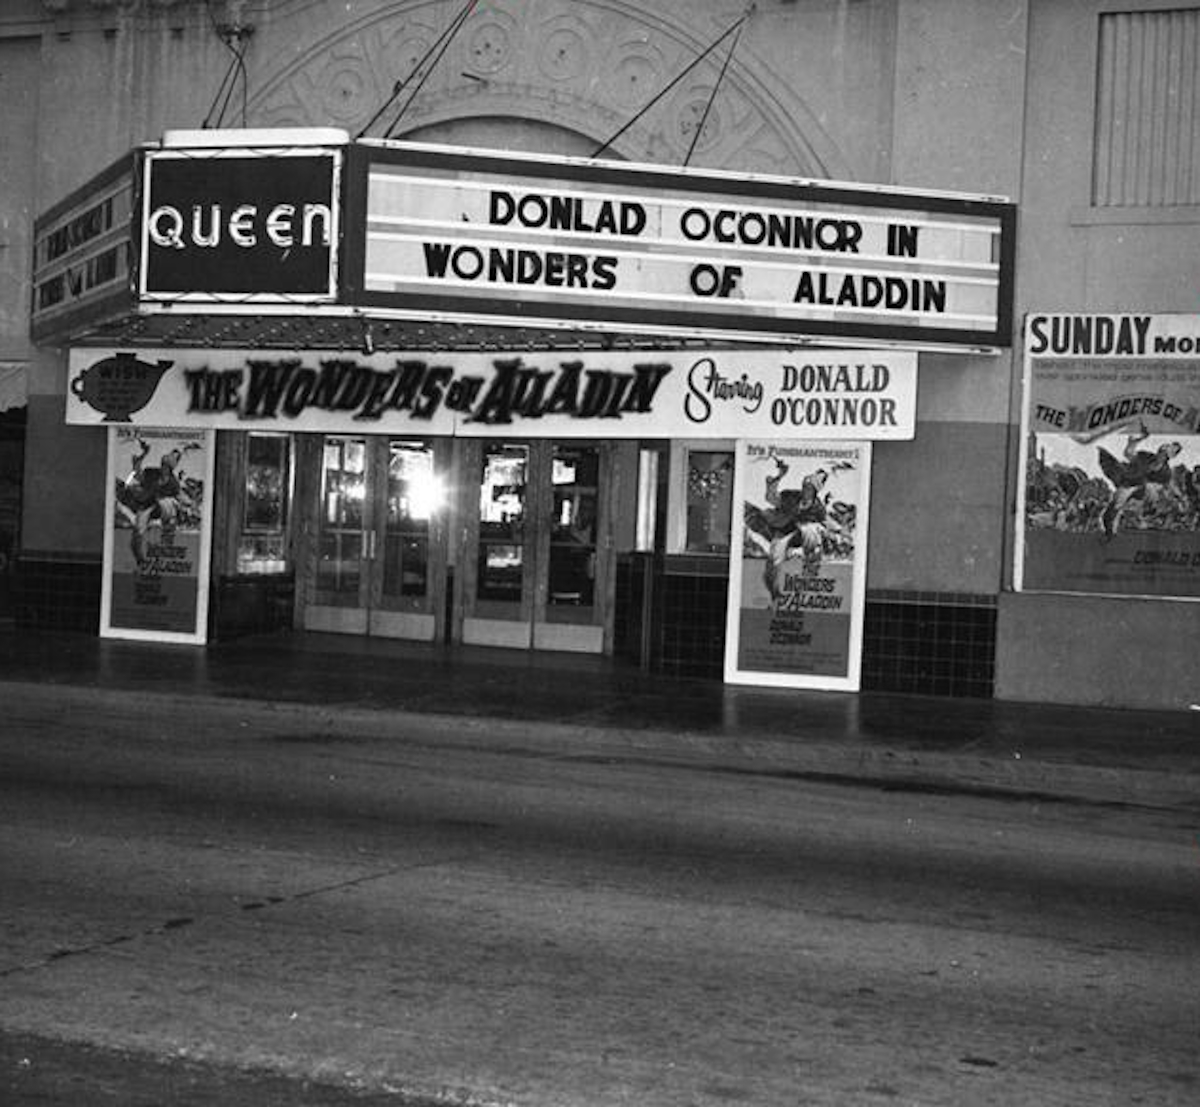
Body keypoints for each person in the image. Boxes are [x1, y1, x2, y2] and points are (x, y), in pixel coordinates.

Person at [743, 455, 838, 599]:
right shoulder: (791, 496)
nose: (805, 490)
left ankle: (810, 573)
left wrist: (835, 534)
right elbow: (771, 498)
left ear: (814, 491)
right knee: (774, 559)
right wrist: (779, 476)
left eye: (809, 488)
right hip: (782, 531)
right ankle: (774, 592)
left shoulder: (818, 508)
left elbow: (826, 523)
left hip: (801, 537)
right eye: (805, 486)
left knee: (811, 529)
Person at [114, 440, 196, 569]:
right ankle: (140, 561)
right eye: (163, 465)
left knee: (169, 506)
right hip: (145, 506)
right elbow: (137, 472)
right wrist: (143, 454)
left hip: (159, 508)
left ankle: (166, 542)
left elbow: (180, 497)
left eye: (166, 467)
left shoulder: (173, 483)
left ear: (171, 468)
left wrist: (189, 504)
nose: (163, 468)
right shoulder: (151, 472)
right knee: (137, 535)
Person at [1097, 422, 1182, 538]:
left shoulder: (1166, 472)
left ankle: (1137, 522)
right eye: (1162, 451)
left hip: (1144, 494)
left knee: (1143, 496)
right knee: (1112, 510)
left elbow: (1160, 490)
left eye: (1165, 454)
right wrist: (1134, 441)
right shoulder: (1146, 456)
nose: (1161, 454)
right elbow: (1129, 454)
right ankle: (1109, 534)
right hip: (1129, 484)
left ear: (1169, 457)